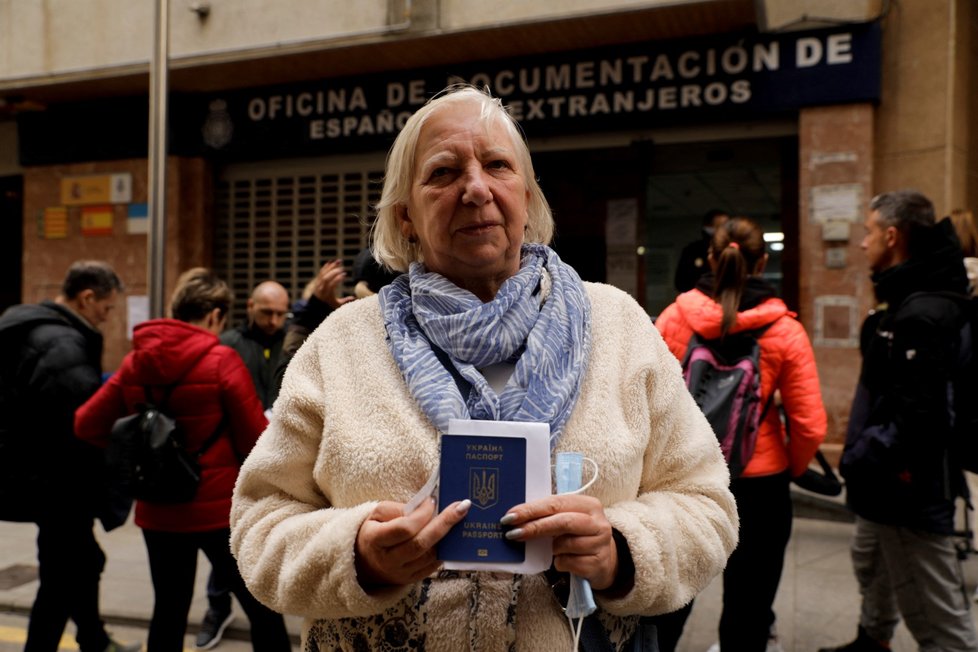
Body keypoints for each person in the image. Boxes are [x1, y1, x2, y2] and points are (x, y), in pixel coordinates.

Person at [229, 84, 738, 649]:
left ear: (526, 195)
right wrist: (358, 555)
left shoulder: (618, 325)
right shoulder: (343, 342)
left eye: (497, 165)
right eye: (443, 173)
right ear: (405, 218)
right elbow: (260, 523)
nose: (475, 188)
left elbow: (706, 504)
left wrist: (620, 549)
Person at [74, 268, 292, 652]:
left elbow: (86, 424)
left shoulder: (135, 362)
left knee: (169, 612)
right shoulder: (221, 361)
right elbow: (256, 440)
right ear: (214, 316)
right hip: (217, 513)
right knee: (262, 609)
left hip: (159, 511)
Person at [655, 217, 827, 652]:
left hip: (687, 479)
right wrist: (793, 466)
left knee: (671, 600)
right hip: (761, 484)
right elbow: (809, 424)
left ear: (710, 258)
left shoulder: (676, 317)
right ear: (762, 263)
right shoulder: (784, 329)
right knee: (749, 608)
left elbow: (648, 401)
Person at [819, 190, 978, 652]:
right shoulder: (907, 300)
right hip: (886, 482)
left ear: (892, 236)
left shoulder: (923, 312)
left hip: (908, 486)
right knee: (872, 563)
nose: (862, 243)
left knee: (936, 613)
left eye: (868, 232)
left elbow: (918, 418)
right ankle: (873, 640)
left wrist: (863, 455)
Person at [0, 261, 137, 652]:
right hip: (59, 482)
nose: (108, 318)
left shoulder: (30, 327)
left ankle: (92, 636)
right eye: (107, 308)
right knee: (64, 575)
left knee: (82, 562)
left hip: (36, 473)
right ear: (87, 297)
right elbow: (79, 424)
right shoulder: (63, 344)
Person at [220, 280, 290, 410]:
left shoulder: (294, 344)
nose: (273, 321)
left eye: (280, 314)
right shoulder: (228, 343)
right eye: (267, 312)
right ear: (250, 306)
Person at [674, 208, 729, 293]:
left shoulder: (731, 249)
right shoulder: (692, 251)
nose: (726, 230)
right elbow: (681, 283)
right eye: (722, 226)